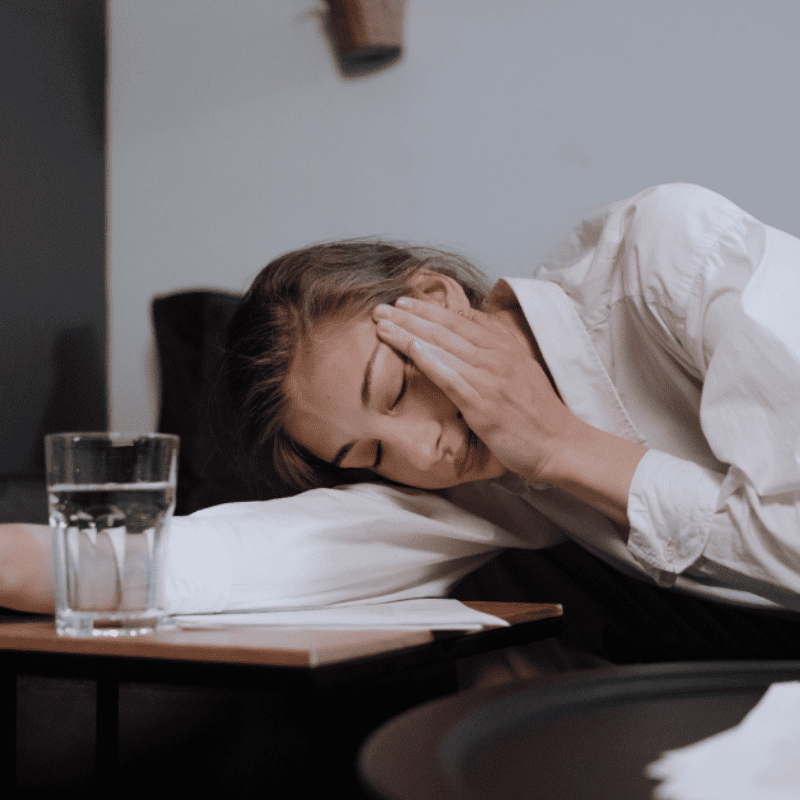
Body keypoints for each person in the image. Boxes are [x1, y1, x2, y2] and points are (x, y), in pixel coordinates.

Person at [3, 183, 800, 664]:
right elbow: (223, 561)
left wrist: (564, 447)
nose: (424, 450)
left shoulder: (672, 253)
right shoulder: (474, 483)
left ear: (435, 297)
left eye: (391, 391)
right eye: (370, 452)